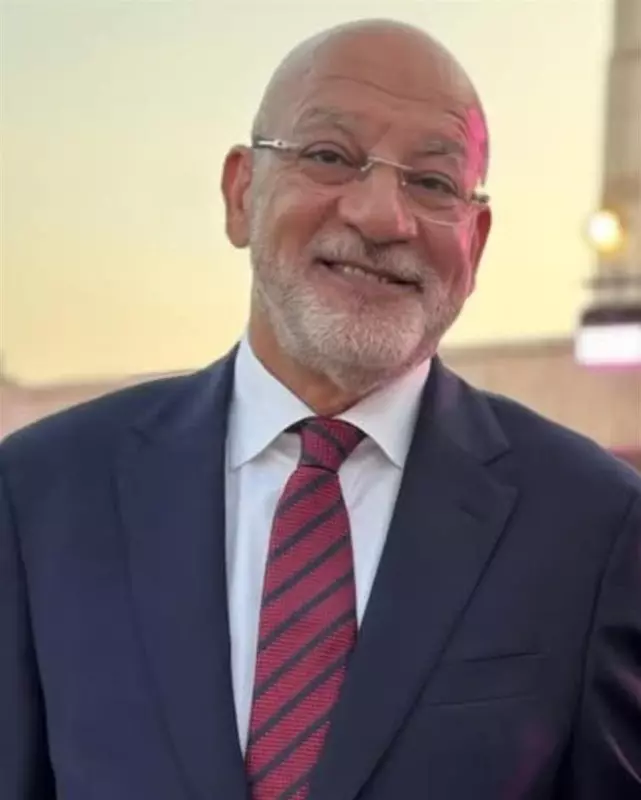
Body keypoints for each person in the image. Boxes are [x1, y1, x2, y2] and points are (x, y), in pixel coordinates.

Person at [1, 18, 640, 800]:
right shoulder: (43, 499)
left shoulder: (593, 527)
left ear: (473, 244)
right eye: (330, 156)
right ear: (241, 194)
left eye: (431, 183)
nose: (381, 217)